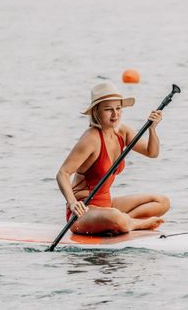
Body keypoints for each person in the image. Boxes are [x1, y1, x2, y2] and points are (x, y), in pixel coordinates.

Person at [56, 81, 170, 235]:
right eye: (108, 109)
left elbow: (152, 153)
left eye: (118, 108)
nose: (115, 114)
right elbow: (62, 173)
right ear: (96, 112)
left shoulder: (122, 132)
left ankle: (125, 222)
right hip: (84, 212)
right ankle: (132, 223)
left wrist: (153, 129)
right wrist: (72, 203)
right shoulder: (91, 138)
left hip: (107, 205)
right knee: (116, 216)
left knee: (162, 202)